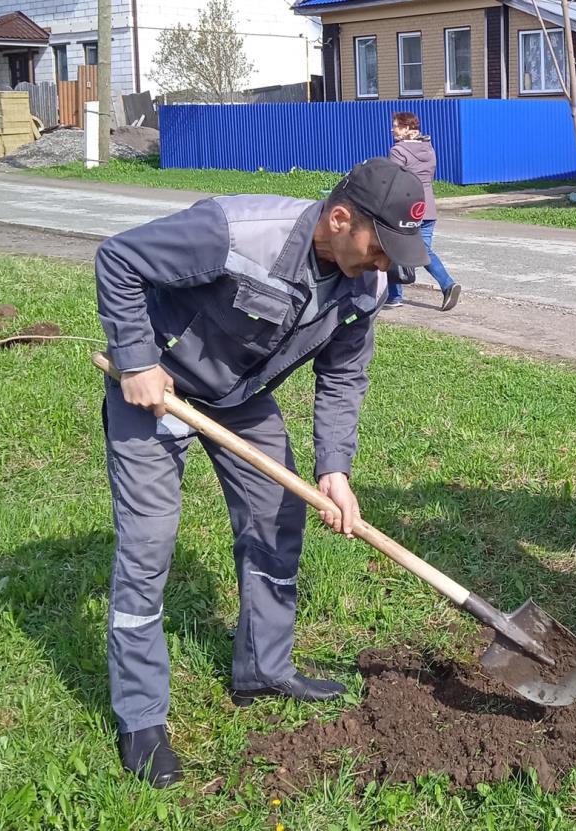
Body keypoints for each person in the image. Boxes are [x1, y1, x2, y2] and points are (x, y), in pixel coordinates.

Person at [95, 158, 430, 788]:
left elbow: (343, 376)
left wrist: (334, 467)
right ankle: (141, 718)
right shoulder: (236, 231)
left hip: (242, 399)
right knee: (148, 548)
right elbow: (118, 260)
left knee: (279, 520)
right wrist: (137, 360)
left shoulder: (366, 287)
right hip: (158, 387)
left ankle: (264, 667)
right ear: (339, 219)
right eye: (383, 248)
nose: (391, 264)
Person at [383, 111, 462, 312]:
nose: (393, 129)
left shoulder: (398, 151)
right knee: (424, 251)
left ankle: (395, 296)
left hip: (405, 208)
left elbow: (393, 180)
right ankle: (447, 284)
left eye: (397, 126)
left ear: (408, 129)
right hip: (427, 208)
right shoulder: (429, 148)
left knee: (394, 248)